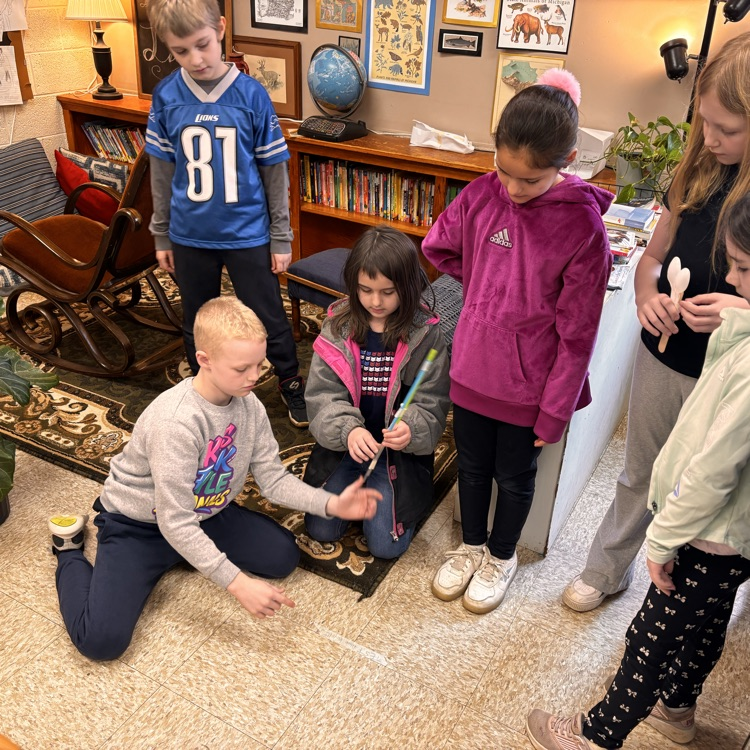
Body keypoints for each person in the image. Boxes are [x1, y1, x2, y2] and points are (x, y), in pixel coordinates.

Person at [525, 191, 750, 750]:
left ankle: (597, 736)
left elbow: (712, 470)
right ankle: (677, 711)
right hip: (733, 541)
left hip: (705, 533)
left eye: (743, 269)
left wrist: (663, 539)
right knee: (704, 625)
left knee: (650, 636)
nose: (734, 283)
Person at [48, 297, 382, 661]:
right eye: (242, 368)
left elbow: (272, 478)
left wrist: (331, 503)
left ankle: (188, 553)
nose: (255, 377)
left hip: (206, 514)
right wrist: (237, 584)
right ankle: (68, 552)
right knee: (101, 642)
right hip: (140, 524)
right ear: (204, 360)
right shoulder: (175, 423)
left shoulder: (249, 404)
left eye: (260, 364)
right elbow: (174, 520)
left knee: (283, 557)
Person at [563, 31, 750, 613]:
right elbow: (650, 258)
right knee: (641, 470)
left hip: (733, 374)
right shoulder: (695, 167)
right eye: (705, 123)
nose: (711, 138)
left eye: (728, 129)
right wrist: (645, 297)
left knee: (714, 487)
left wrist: (743, 313)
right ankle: (607, 567)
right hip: (666, 353)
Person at [422, 69, 614, 614]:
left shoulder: (582, 229)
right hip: (473, 369)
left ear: (567, 161)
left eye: (529, 180)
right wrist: (482, 289)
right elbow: (440, 246)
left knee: (514, 475)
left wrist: (555, 412)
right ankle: (471, 546)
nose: (513, 188)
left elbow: (579, 335)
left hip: (530, 387)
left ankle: (502, 555)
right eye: (504, 171)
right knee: (472, 466)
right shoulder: (484, 193)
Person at [144, 0, 309, 428]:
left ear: (220, 29)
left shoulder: (251, 94)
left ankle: (290, 381)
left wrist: (281, 237)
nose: (195, 60)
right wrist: (161, 233)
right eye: (181, 51)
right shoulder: (165, 96)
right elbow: (161, 173)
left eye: (202, 45)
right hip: (189, 233)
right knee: (196, 317)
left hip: (247, 234)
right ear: (168, 47)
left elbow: (274, 171)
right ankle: (203, 392)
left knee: (267, 313)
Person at [302, 226, 450, 559]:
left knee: (386, 546)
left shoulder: (425, 336)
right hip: (345, 447)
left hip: (394, 454)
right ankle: (366, 493)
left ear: (408, 287)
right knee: (320, 528)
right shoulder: (337, 327)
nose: (375, 302)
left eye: (387, 291)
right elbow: (322, 396)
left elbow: (434, 403)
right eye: (365, 290)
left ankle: (391, 497)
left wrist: (411, 427)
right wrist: (347, 429)